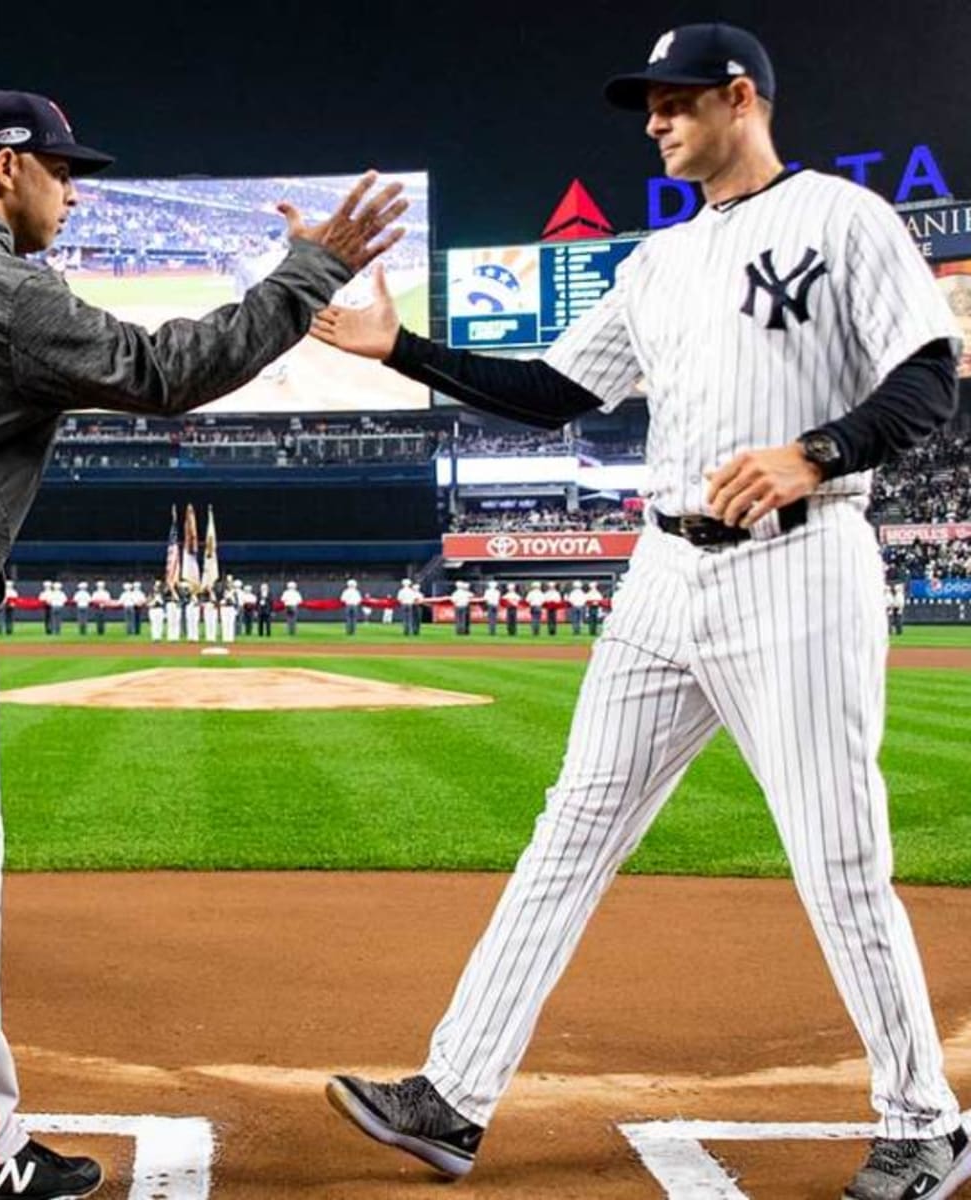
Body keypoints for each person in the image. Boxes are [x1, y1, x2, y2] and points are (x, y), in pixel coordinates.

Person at [313, 27, 967, 1199]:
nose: (655, 124)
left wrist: (818, 452)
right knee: (570, 832)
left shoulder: (844, 218)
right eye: (649, 108)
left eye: (673, 103)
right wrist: (396, 347)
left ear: (740, 97)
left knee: (837, 856)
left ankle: (924, 1121)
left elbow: (927, 371)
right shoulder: (656, 262)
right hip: (663, 578)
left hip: (799, 570)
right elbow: (554, 393)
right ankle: (452, 1098)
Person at [0, 87, 407, 1200]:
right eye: (65, 173)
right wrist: (311, 270)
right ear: (6, 169)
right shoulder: (0, 288)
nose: (76, 194)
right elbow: (163, 374)